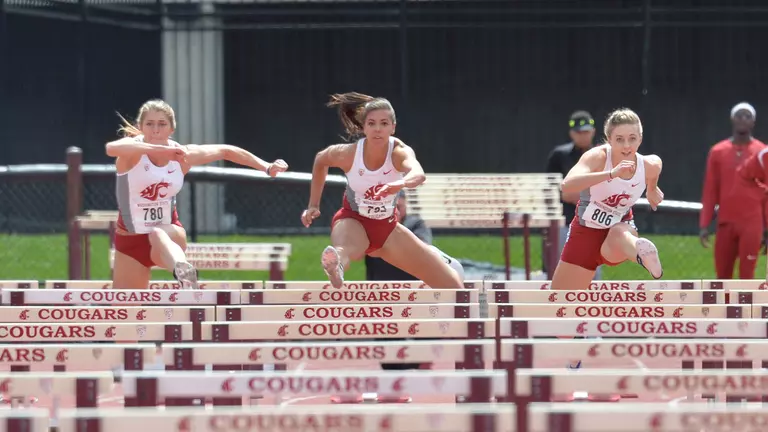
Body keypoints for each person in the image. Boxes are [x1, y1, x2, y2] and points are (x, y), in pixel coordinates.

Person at [106, 99, 288, 289]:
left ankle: (183, 271)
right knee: (127, 308)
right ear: (141, 127)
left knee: (157, 232)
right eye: (149, 124)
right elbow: (112, 148)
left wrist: (267, 167)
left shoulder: (183, 156)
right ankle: (181, 271)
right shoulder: (131, 154)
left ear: (171, 129)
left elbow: (226, 151)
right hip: (130, 241)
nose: (156, 130)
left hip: (169, 236)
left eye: (162, 124)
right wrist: (158, 149)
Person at [301, 92, 464, 290]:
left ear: (393, 127)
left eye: (384, 123)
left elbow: (418, 173)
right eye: (371, 123)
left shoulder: (398, 152)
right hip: (353, 221)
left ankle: (450, 314)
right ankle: (336, 266)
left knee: (453, 285)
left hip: (388, 229)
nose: (378, 129)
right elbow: (321, 159)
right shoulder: (349, 154)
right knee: (345, 249)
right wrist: (313, 205)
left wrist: (398, 184)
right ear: (364, 127)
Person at [700, 102, 767, 279]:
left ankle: (745, 308)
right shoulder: (718, 151)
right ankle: (723, 308)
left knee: (747, 275)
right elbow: (710, 190)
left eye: (747, 116)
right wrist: (704, 224)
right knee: (722, 276)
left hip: (752, 223)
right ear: (732, 119)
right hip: (726, 221)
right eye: (739, 115)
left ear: (753, 122)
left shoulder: (761, 152)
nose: (743, 119)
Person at [545, 110, 601, 279]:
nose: (583, 136)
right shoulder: (560, 156)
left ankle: (594, 304)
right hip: (565, 219)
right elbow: (555, 189)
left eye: (586, 132)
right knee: (560, 267)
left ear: (593, 131)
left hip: (595, 220)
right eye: (578, 132)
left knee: (592, 270)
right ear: (571, 133)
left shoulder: (602, 154)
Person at [364, 192, 433, 280]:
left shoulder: (416, 223)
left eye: (399, 207)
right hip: (380, 285)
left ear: (405, 205)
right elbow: (358, 253)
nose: (396, 211)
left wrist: (395, 228)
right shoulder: (373, 225)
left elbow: (424, 248)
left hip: (411, 284)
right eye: (391, 208)